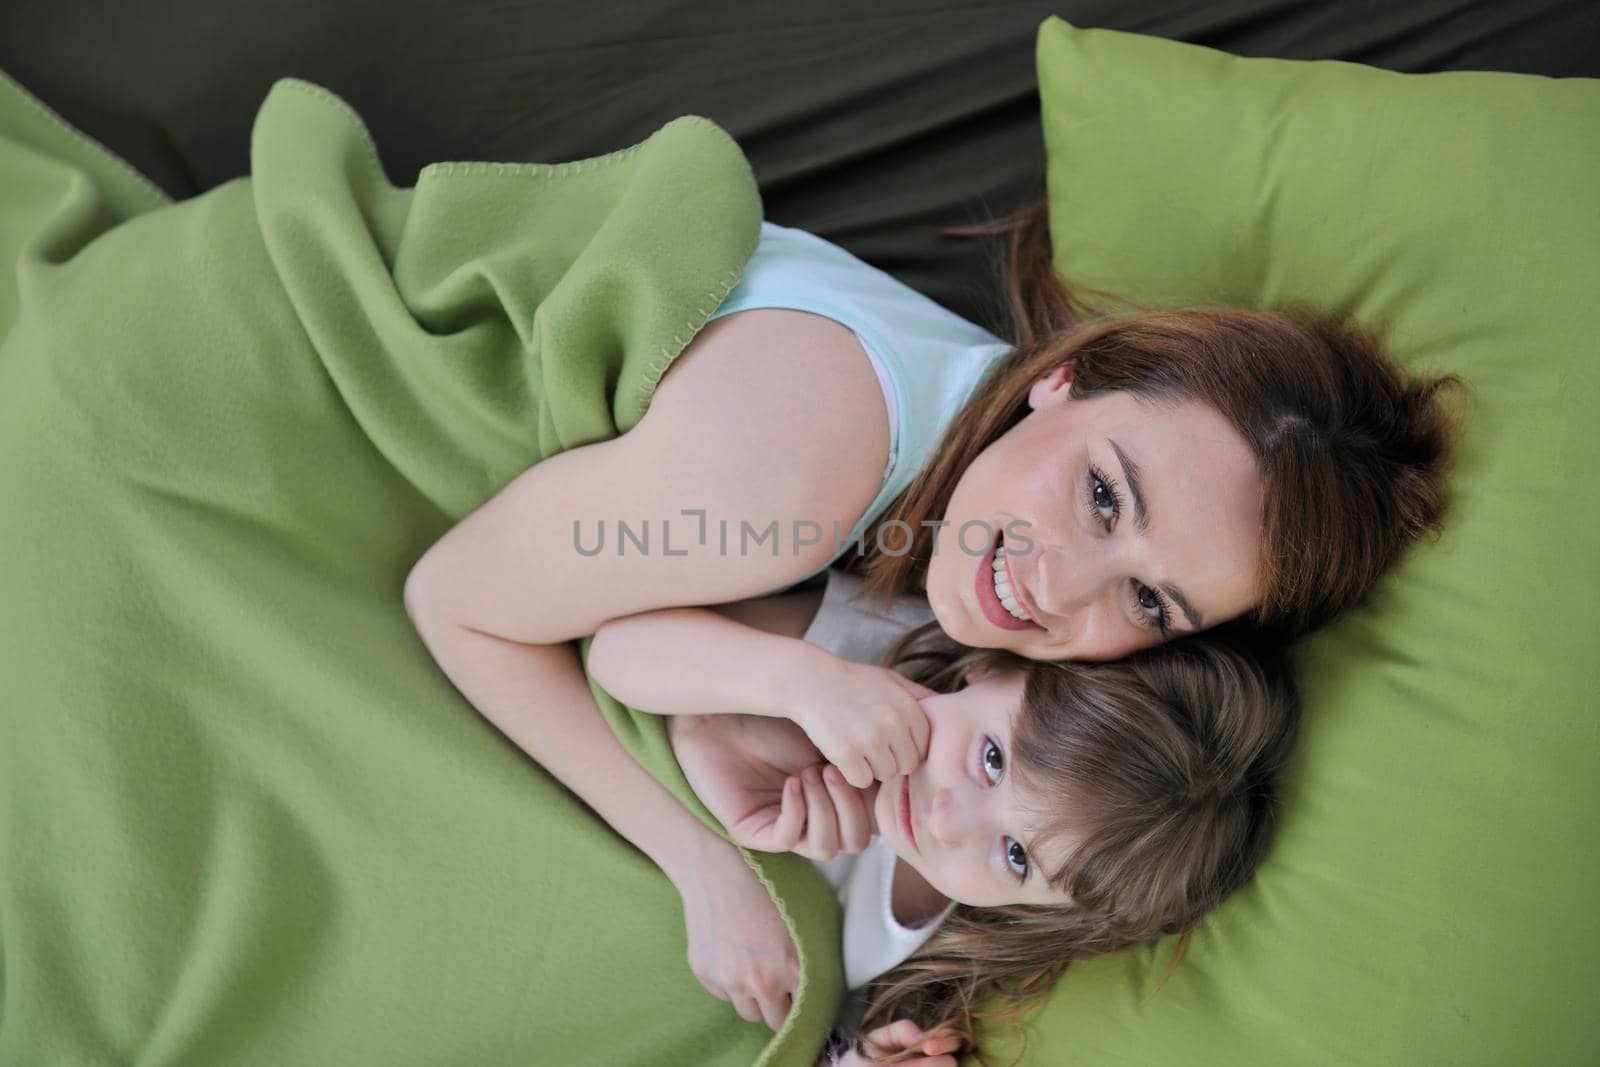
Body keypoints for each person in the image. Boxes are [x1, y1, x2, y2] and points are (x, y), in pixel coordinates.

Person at [401, 202, 1456, 1050]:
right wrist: (703, 863)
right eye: (1101, 495)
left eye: (1146, 599)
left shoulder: (950, 595)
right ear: (1067, 378)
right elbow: (454, 601)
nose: (1056, 587)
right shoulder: (792, 482)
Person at [592, 562, 1298, 1064]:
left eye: (1017, 856)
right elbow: (612, 646)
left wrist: (857, 1055)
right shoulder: (866, 653)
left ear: (1045, 908)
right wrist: (793, 681)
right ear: (995, 669)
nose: (947, 819)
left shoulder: (939, 952)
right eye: (992, 757)